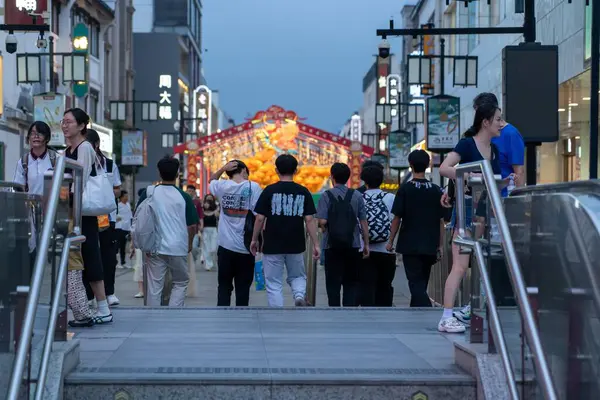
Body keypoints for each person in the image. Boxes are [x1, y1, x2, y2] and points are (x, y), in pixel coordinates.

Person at [437, 102, 503, 333]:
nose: (501, 125)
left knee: (482, 265)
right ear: (485, 122)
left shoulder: (493, 150)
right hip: (466, 211)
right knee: (460, 266)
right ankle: (446, 316)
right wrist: (468, 174)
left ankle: (469, 309)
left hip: (484, 212)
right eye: (498, 119)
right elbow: (444, 167)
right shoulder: (467, 144)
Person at [62, 108, 112, 324]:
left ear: (82, 126)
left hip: (84, 210)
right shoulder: (67, 150)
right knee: (79, 258)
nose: (64, 125)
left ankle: (103, 308)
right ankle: (88, 306)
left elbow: (79, 178)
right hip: (73, 210)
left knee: (90, 257)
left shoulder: (84, 148)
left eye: (69, 122)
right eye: (63, 122)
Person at [250, 154, 320, 307]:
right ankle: (299, 295)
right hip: (296, 243)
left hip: (272, 243)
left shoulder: (269, 191)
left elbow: (260, 218)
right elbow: (309, 219)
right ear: (296, 170)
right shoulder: (303, 191)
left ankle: (277, 310)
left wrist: (254, 240)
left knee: (273, 281)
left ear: (276, 170)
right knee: (297, 275)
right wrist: (316, 244)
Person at [387, 150, 445, 307]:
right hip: (430, 243)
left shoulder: (405, 189)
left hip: (410, 243)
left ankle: (425, 308)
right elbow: (441, 221)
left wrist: (391, 240)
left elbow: (397, 217)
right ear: (428, 165)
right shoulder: (436, 190)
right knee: (422, 282)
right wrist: (440, 245)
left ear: (410, 165)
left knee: (415, 282)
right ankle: (417, 311)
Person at [137, 156, 198, 306]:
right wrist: (189, 244)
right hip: (178, 246)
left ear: (159, 173)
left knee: (154, 286)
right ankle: (174, 314)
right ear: (177, 174)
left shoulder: (149, 193)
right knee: (181, 281)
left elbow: (138, 217)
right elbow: (192, 226)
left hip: (154, 247)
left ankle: (154, 318)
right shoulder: (184, 197)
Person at [316, 162, 370, 307]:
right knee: (351, 283)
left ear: (332, 177)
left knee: (333, 283)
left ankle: (334, 311)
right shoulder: (357, 195)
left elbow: (322, 220)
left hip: (331, 245)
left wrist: (323, 225)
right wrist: (366, 244)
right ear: (348, 177)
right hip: (353, 245)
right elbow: (363, 222)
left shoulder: (326, 196)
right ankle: (349, 312)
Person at [209, 160, 262, 307]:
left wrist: (222, 168)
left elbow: (211, 180)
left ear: (228, 172)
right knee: (243, 288)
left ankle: (223, 317)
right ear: (244, 170)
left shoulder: (221, 186)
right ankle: (241, 319)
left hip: (225, 247)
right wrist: (256, 239)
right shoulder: (254, 187)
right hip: (246, 247)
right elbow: (259, 217)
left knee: (224, 287)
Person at [12, 121, 58, 268]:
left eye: (39, 133)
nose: (35, 136)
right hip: (30, 210)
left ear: (47, 137)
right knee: (31, 247)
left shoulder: (55, 159)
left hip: (51, 210)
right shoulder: (24, 161)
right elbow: (18, 186)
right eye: (32, 133)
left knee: (50, 247)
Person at [85, 128, 122, 307]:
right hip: (86, 214)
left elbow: (118, 189)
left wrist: (103, 191)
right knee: (88, 255)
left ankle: (109, 292)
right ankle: (88, 294)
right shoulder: (77, 162)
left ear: (96, 145)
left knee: (108, 256)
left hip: (106, 217)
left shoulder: (108, 164)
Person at [359, 165, 396, 307]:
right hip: (387, 249)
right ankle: (385, 312)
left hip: (364, 250)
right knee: (385, 285)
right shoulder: (391, 198)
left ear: (365, 181)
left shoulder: (359, 198)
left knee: (366, 284)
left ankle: (368, 316)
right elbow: (396, 221)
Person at [201, 194, 219, 271]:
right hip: (205, 230)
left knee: (213, 248)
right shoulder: (202, 210)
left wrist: (217, 214)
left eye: (210, 200)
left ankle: (210, 261)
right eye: (207, 200)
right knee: (206, 248)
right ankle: (208, 264)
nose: (208, 202)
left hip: (214, 230)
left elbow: (220, 218)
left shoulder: (217, 209)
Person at [115, 191, 133, 268]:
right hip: (119, 227)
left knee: (123, 245)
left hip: (126, 227)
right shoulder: (118, 205)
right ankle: (117, 262)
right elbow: (115, 215)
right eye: (125, 196)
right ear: (121, 197)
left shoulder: (128, 205)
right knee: (118, 245)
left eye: (127, 196)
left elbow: (130, 216)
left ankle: (123, 262)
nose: (126, 198)